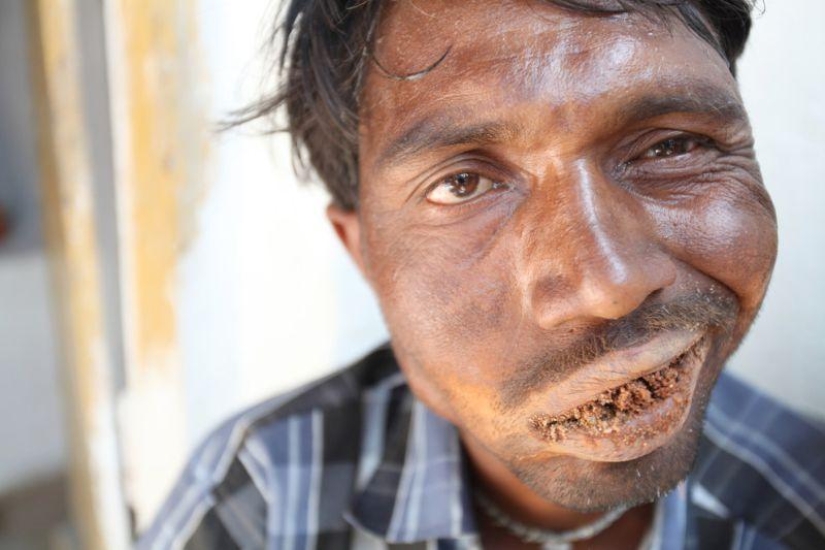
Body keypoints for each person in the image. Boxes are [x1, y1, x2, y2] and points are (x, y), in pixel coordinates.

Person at [138, 1, 825, 548]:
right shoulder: (258, 498)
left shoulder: (805, 505)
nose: (607, 284)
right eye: (462, 183)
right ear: (364, 254)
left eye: (673, 146)